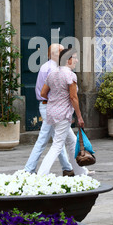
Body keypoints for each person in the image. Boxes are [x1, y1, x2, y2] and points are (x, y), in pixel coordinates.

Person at [37, 47, 90, 177]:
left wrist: (55, 100)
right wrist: (79, 117)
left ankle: (80, 172)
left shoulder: (53, 73)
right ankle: (41, 174)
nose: (77, 60)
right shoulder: (70, 75)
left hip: (52, 112)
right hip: (63, 114)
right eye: (75, 57)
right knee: (57, 145)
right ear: (68, 60)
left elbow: (43, 93)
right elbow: (73, 98)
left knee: (72, 141)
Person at [24, 43, 74, 175]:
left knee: (59, 139)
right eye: (62, 51)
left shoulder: (46, 67)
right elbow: (50, 91)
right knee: (46, 139)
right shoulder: (53, 69)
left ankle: (67, 168)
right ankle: (29, 170)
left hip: (48, 105)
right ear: (56, 54)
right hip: (51, 107)